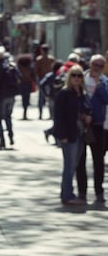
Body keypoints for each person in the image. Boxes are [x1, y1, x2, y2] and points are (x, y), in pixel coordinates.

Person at [54, 65, 92, 205]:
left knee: (75, 164)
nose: (77, 78)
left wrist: (88, 116)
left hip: (81, 132)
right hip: (69, 134)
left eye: (79, 75)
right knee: (69, 165)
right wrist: (61, 134)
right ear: (69, 77)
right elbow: (58, 116)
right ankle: (67, 195)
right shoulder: (64, 93)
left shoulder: (82, 93)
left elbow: (87, 108)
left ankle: (69, 192)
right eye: (74, 75)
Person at [76, 54, 108, 204]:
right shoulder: (79, 77)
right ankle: (82, 192)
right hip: (81, 124)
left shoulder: (105, 82)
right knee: (80, 160)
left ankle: (99, 192)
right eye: (95, 64)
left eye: (101, 65)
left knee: (98, 160)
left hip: (97, 125)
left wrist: (99, 85)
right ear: (90, 64)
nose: (97, 68)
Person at [0, 46, 18, 149]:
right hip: (11, 95)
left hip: (0, 96)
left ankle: (2, 140)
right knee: (8, 117)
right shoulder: (9, 65)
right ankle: (10, 136)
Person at [34, 44, 55, 120]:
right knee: (49, 96)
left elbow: (36, 71)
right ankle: (50, 114)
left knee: (42, 97)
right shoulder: (51, 59)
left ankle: (41, 114)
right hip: (49, 80)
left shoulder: (39, 59)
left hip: (43, 79)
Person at [16, 54, 35, 120]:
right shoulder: (30, 67)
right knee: (27, 99)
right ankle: (25, 112)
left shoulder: (19, 67)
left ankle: (24, 113)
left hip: (22, 84)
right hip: (28, 84)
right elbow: (33, 76)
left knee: (24, 99)